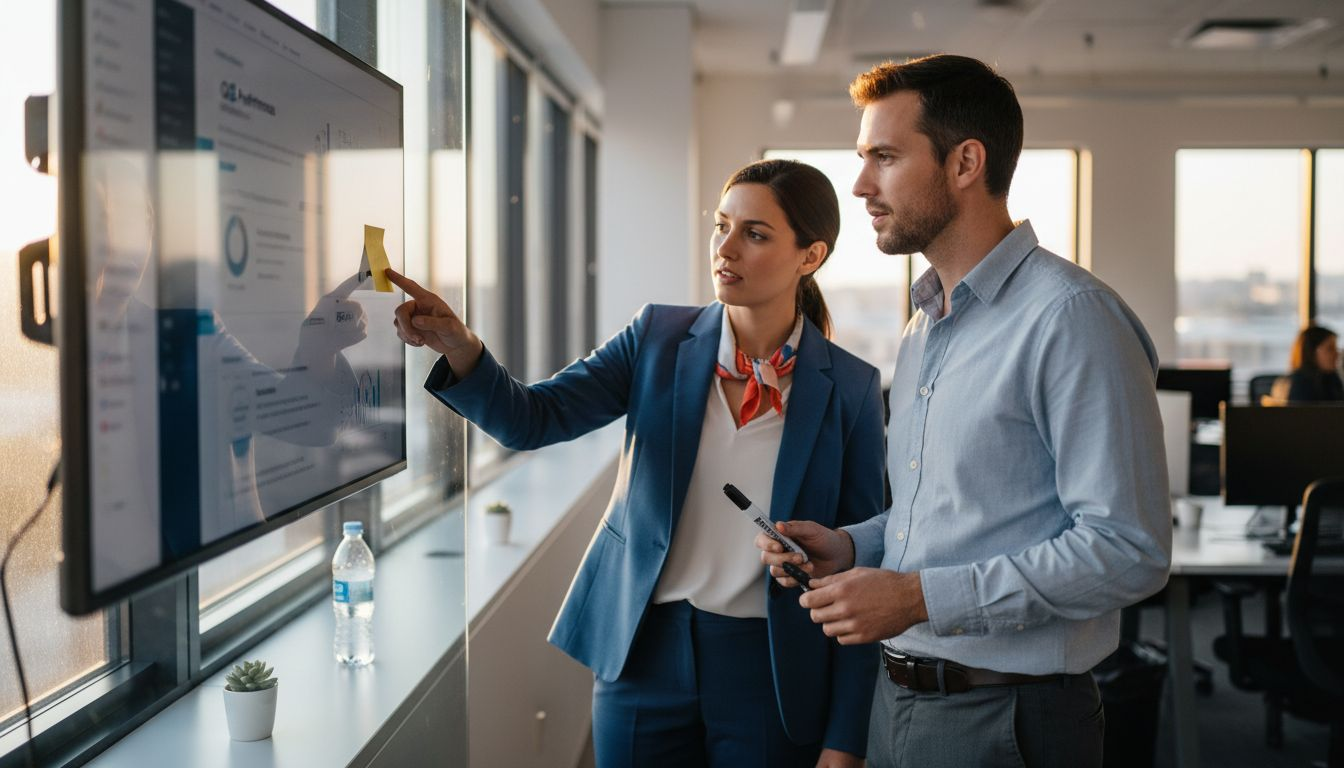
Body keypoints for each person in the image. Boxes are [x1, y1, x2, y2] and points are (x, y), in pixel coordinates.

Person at [386, 159, 886, 768]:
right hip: (643, 648)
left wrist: (847, 737)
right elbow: (532, 419)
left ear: (811, 256)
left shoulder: (851, 389)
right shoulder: (658, 338)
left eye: (755, 234)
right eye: (721, 225)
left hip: (773, 667)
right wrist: (463, 347)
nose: (726, 248)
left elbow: (865, 563)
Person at [756, 55, 1172, 768]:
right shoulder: (926, 324)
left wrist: (918, 598)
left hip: (1006, 717)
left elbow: (1127, 550)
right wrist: (853, 546)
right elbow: (949, 512)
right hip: (899, 702)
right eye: (863, 159)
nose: (860, 186)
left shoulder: (1071, 318)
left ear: (965, 163)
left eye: (885, 158)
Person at [1271, 325, 1343, 403]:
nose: (1337, 354)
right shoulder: (1300, 383)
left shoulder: (1331, 377)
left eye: (1336, 348)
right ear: (1311, 352)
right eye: (1330, 349)